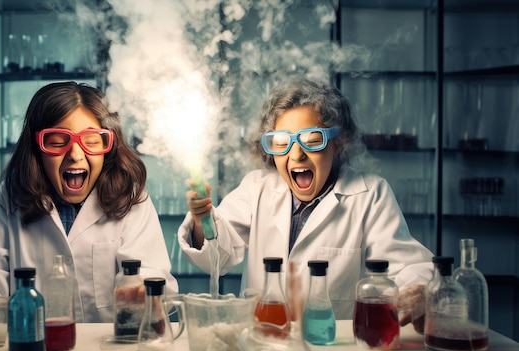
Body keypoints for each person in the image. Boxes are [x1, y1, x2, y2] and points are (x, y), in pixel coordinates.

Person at [178, 77, 432, 331]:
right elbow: (217, 256)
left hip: (333, 348)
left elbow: (410, 268)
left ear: (339, 141)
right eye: (281, 142)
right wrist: (204, 221)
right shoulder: (257, 187)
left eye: (311, 141)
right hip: (262, 340)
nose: (296, 154)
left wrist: (416, 291)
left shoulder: (370, 194)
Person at [0, 81, 176, 326]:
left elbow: (151, 269)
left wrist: (143, 292)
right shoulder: (11, 197)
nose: (75, 154)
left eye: (92, 140)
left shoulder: (131, 198)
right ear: (37, 148)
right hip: (37, 348)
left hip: (109, 350)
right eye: (58, 140)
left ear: (108, 147)